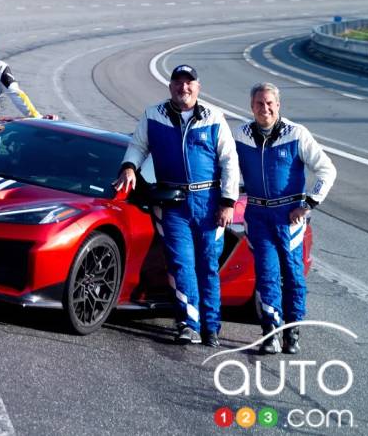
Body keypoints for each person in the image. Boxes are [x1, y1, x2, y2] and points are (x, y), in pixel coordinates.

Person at [115, 64, 240, 347]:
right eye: (178, 82)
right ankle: (188, 324)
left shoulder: (214, 118)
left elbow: (229, 161)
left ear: (198, 86)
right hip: (173, 204)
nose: (183, 87)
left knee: (207, 266)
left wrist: (228, 201)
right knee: (181, 265)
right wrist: (130, 167)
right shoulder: (153, 115)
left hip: (209, 204)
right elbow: (137, 145)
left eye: (189, 83)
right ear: (170, 86)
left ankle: (211, 326)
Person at [234, 82, 336, 355]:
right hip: (256, 214)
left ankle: (293, 330)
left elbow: (327, 170)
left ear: (278, 105)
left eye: (269, 103)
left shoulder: (296, 133)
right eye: (258, 103)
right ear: (251, 106)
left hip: (289, 216)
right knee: (266, 274)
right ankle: (270, 332)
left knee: (292, 275)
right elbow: (226, 167)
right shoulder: (241, 134)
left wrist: (308, 204)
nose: (264, 108)